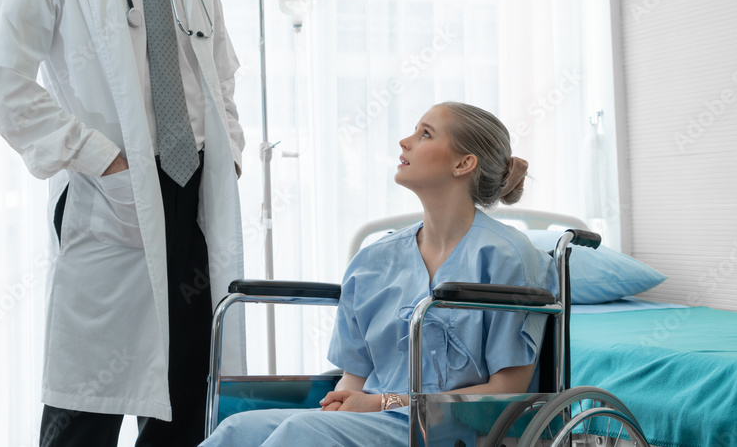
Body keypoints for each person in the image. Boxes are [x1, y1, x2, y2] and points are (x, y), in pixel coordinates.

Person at [0, 0, 246, 447]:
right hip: (111, 198)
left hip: (193, 203)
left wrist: (228, 154)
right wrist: (105, 158)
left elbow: (223, 77)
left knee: (187, 406)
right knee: (85, 410)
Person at [201, 102, 557, 446]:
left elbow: (506, 393)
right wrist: (341, 406)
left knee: (302, 433)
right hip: (371, 419)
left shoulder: (509, 257)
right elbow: (354, 378)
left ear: (464, 163)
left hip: (448, 429)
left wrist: (382, 403)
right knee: (238, 431)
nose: (405, 142)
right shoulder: (374, 259)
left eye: (425, 134)